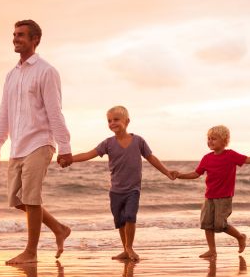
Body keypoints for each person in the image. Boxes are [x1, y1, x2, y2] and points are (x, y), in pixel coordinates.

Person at [0, 19, 73, 265]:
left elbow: (55, 111)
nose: (16, 38)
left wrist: (64, 147)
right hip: (18, 145)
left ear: (35, 39)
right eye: (14, 34)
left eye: (22, 35)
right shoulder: (11, 75)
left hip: (40, 141)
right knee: (17, 199)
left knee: (31, 197)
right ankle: (59, 229)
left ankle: (31, 253)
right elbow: (3, 111)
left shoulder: (46, 71)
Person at [60, 105, 175, 261]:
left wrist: (167, 172)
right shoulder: (107, 143)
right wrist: (70, 158)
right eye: (109, 120)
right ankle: (125, 250)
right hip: (115, 191)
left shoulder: (138, 141)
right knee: (120, 221)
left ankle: (129, 248)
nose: (112, 123)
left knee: (130, 216)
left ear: (127, 121)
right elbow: (89, 154)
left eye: (116, 119)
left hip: (133, 189)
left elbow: (151, 158)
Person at [175, 125, 250, 258]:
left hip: (224, 197)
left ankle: (240, 237)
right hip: (209, 196)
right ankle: (212, 250)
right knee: (207, 224)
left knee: (220, 225)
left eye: (214, 139)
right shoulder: (206, 158)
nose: (210, 141)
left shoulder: (231, 155)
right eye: (209, 138)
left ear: (224, 141)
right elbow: (196, 174)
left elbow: (249, 160)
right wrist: (179, 175)